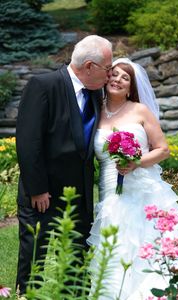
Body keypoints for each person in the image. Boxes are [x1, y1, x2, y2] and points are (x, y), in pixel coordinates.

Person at [15, 35, 113, 295]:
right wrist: (37, 189)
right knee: (34, 258)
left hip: (78, 195)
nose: (110, 74)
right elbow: (28, 141)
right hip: (43, 195)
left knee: (76, 263)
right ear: (90, 66)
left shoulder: (96, 92)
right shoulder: (44, 85)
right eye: (107, 68)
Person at [87, 58, 178, 299]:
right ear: (107, 77)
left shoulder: (140, 111)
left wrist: (136, 162)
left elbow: (163, 149)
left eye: (125, 78)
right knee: (115, 243)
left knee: (142, 241)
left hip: (142, 189)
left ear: (131, 87)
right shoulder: (94, 110)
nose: (118, 80)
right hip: (110, 188)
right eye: (115, 74)